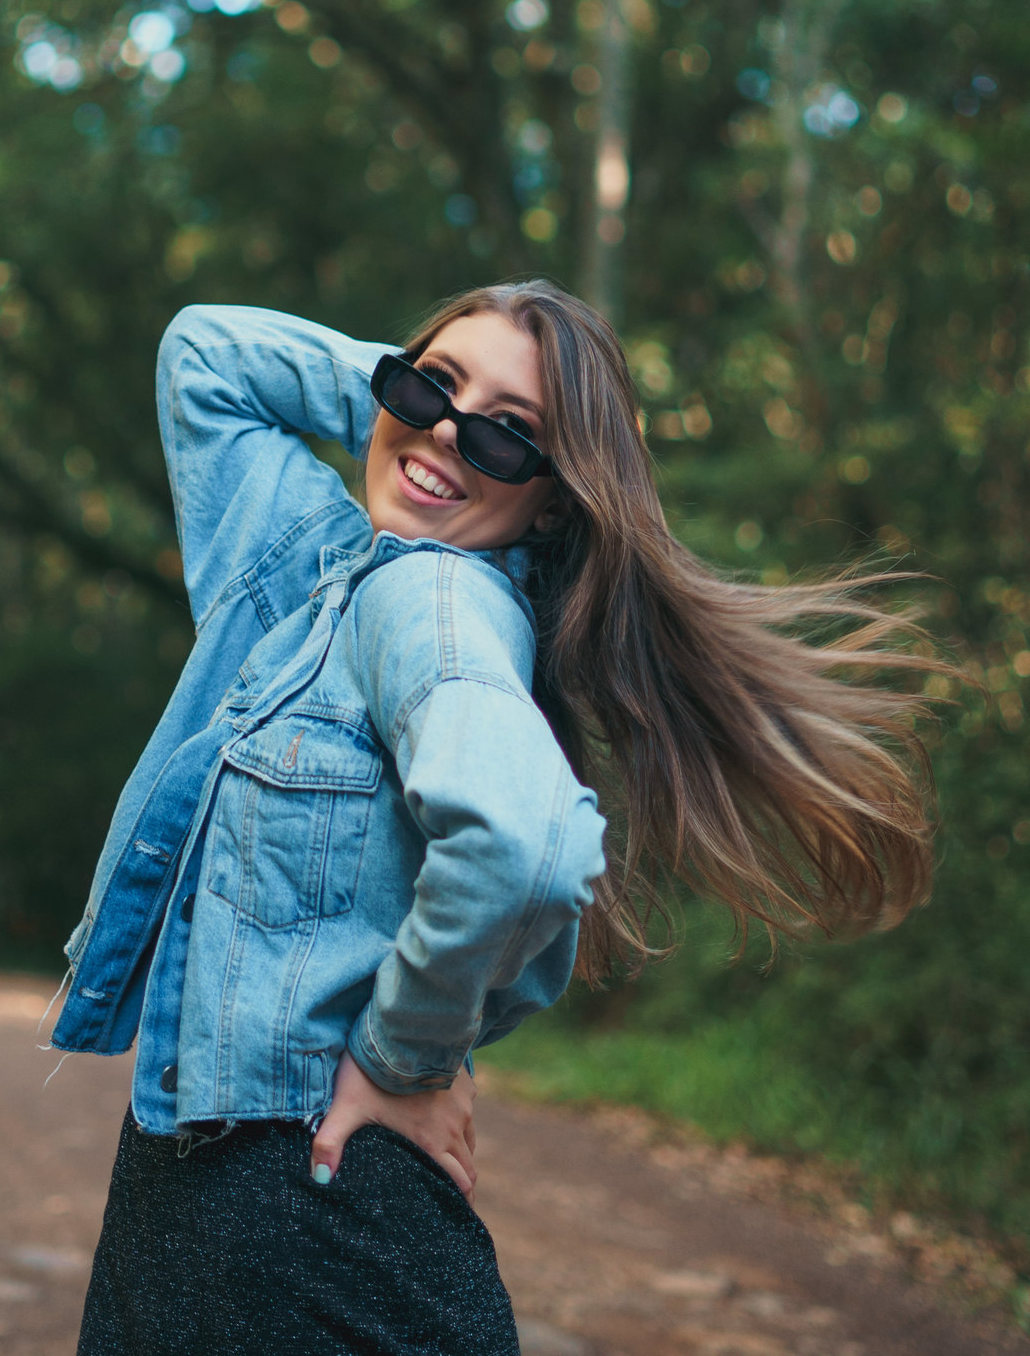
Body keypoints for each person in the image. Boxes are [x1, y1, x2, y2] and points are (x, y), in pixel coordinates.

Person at [51, 278, 936, 1355]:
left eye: (510, 439)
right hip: (193, 1186)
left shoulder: (429, 602)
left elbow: (525, 847)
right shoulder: (312, 570)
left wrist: (400, 1059)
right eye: (433, 383)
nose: (446, 437)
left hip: (309, 1209)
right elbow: (206, 355)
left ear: (556, 498)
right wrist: (411, 405)